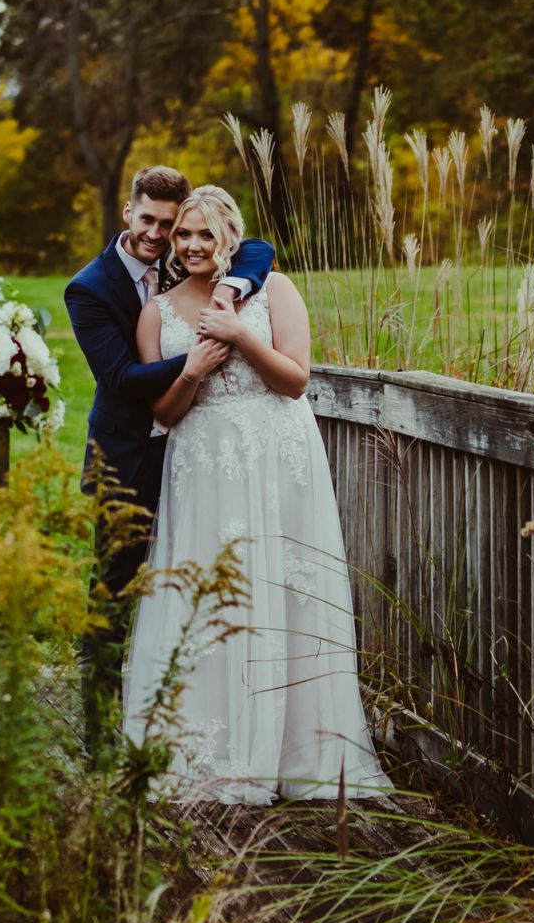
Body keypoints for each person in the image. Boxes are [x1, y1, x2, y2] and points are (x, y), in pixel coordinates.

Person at [120, 185, 391, 804]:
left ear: (229, 238)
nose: (189, 245)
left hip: (278, 457)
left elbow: (295, 381)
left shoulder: (275, 289)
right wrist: (192, 368)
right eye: (182, 235)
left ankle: (298, 750)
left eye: (203, 235)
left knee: (284, 588)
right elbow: (161, 413)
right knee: (211, 592)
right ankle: (212, 749)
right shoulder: (156, 313)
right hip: (204, 463)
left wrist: (239, 336)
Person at [65, 166, 275, 752]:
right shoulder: (89, 287)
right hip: (130, 454)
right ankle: (98, 724)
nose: (161, 235)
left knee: (197, 574)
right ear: (128, 212)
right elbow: (120, 376)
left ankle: (201, 705)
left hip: (199, 452)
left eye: (171, 223)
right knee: (117, 582)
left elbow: (257, 246)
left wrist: (234, 290)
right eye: (150, 221)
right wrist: (198, 361)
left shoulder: (194, 254)